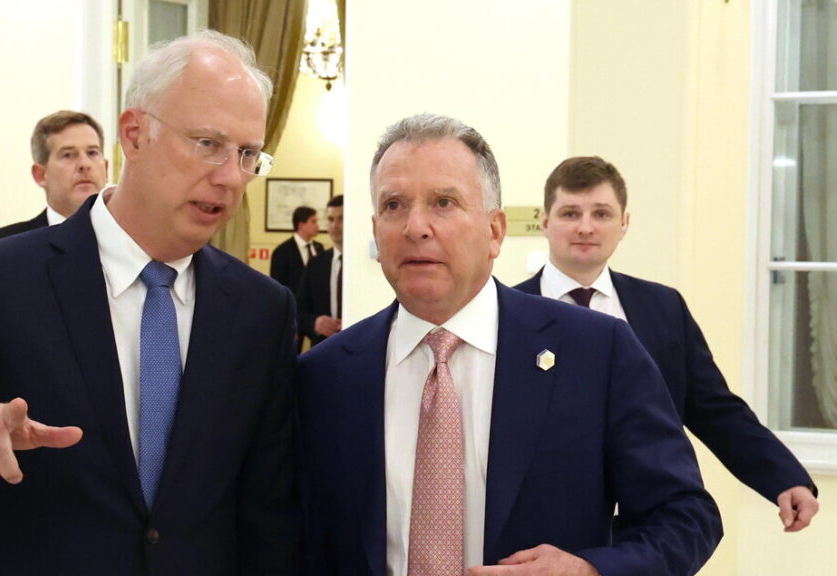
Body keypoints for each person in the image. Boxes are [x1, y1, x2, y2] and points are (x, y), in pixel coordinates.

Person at [0, 30, 300, 575]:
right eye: (208, 143)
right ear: (134, 135)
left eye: (248, 154)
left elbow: (269, 516)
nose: (231, 176)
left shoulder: (262, 310)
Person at [296, 114, 722, 576]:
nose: (415, 227)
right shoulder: (325, 375)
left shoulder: (598, 352)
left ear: (495, 231)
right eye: (394, 205)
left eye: (443, 202)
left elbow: (686, 516)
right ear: (376, 231)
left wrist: (590, 570)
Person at [515, 155, 819, 532]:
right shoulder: (509, 314)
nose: (586, 227)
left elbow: (714, 409)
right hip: (543, 528)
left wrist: (784, 477)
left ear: (624, 224)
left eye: (602, 214)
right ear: (545, 222)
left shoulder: (662, 308)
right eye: (570, 213)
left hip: (650, 526)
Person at [0, 110, 108, 243]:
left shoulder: (120, 238)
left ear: (106, 168)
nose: (84, 164)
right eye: (68, 155)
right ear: (40, 175)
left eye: (92, 153)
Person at [297, 194, 343, 346]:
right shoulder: (315, 264)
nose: (335, 226)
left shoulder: (367, 265)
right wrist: (315, 323)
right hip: (323, 347)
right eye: (330, 219)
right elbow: (299, 311)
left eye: (341, 219)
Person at [270, 205, 324, 295]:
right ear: (301, 225)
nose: (317, 225)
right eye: (313, 222)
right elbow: (277, 285)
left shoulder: (319, 247)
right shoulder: (282, 252)